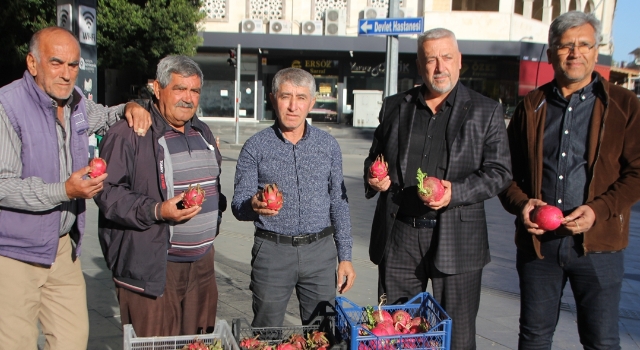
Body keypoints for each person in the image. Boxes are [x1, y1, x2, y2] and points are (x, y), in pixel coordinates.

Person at [0, 27, 150, 349]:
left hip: (62, 249)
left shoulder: (76, 103)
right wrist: (64, 191)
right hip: (13, 255)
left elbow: (105, 116)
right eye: (57, 63)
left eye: (73, 65)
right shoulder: (7, 106)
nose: (67, 74)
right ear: (33, 63)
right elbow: (3, 185)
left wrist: (129, 108)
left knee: (72, 340)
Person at [498, 11, 640, 349]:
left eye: (583, 45)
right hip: (540, 248)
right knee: (534, 337)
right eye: (565, 46)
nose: (575, 53)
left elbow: (637, 172)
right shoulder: (531, 105)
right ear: (550, 54)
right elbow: (503, 174)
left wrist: (598, 210)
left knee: (602, 340)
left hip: (599, 247)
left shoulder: (624, 104)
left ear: (596, 50)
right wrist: (522, 205)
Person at [364, 28, 512, 349]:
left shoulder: (486, 111)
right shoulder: (395, 106)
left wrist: (454, 192)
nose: (439, 66)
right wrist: (374, 178)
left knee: (456, 336)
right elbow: (374, 158)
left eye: (446, 57)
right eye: (430, 59)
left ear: (459, 62)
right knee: (397, 332)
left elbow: (499, 173)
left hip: (459, 239)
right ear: (419, 65)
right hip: (400, 235)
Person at [94, 55, 226, 337]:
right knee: (155, 346)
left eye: (194, 91)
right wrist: (157, 211)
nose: (188, 98)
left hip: (201, 266)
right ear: (157, 88)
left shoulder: (202, 131)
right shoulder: (129, 132)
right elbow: (107, 194)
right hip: (153, 268)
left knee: (198, 344)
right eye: (179, 89)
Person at [232, 67, 356, 327]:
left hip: (320, 252)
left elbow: (338, 203)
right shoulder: (255, 146)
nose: (292, 106)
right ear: (272, 98)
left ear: (311, 102)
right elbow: (238, 205)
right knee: (267, 332)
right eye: (285, 96)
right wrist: (253, 204)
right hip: (272, 251)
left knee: (322, 332)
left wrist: (345, 257)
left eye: (301, 97)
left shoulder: (328, 146)